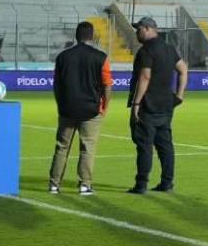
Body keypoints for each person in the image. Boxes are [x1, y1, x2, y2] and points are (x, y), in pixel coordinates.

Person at [49, 21, 113, 196]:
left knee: (62, 147)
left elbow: (56, 85)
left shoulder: (63, 57)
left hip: (67, 109)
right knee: (87, 147)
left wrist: (60, 104)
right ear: (92, 36)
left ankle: (54, 184)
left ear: (76, 36)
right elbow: (107, 85)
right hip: (90, 110)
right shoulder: (101, 57)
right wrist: (104, 107)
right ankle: (84, 184)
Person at [127, 16, 187, 194]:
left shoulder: (146, 51)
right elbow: (183, 70)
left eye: (138, 29)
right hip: (166, 105)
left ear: (147, 28)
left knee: (144, 145)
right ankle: (167, 182)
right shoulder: (169, 48)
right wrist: (180, 95)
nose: (136, 33)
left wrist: (136, 104)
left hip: (148, 106)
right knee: (165, 145)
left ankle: (141, 184)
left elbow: (145, 77)